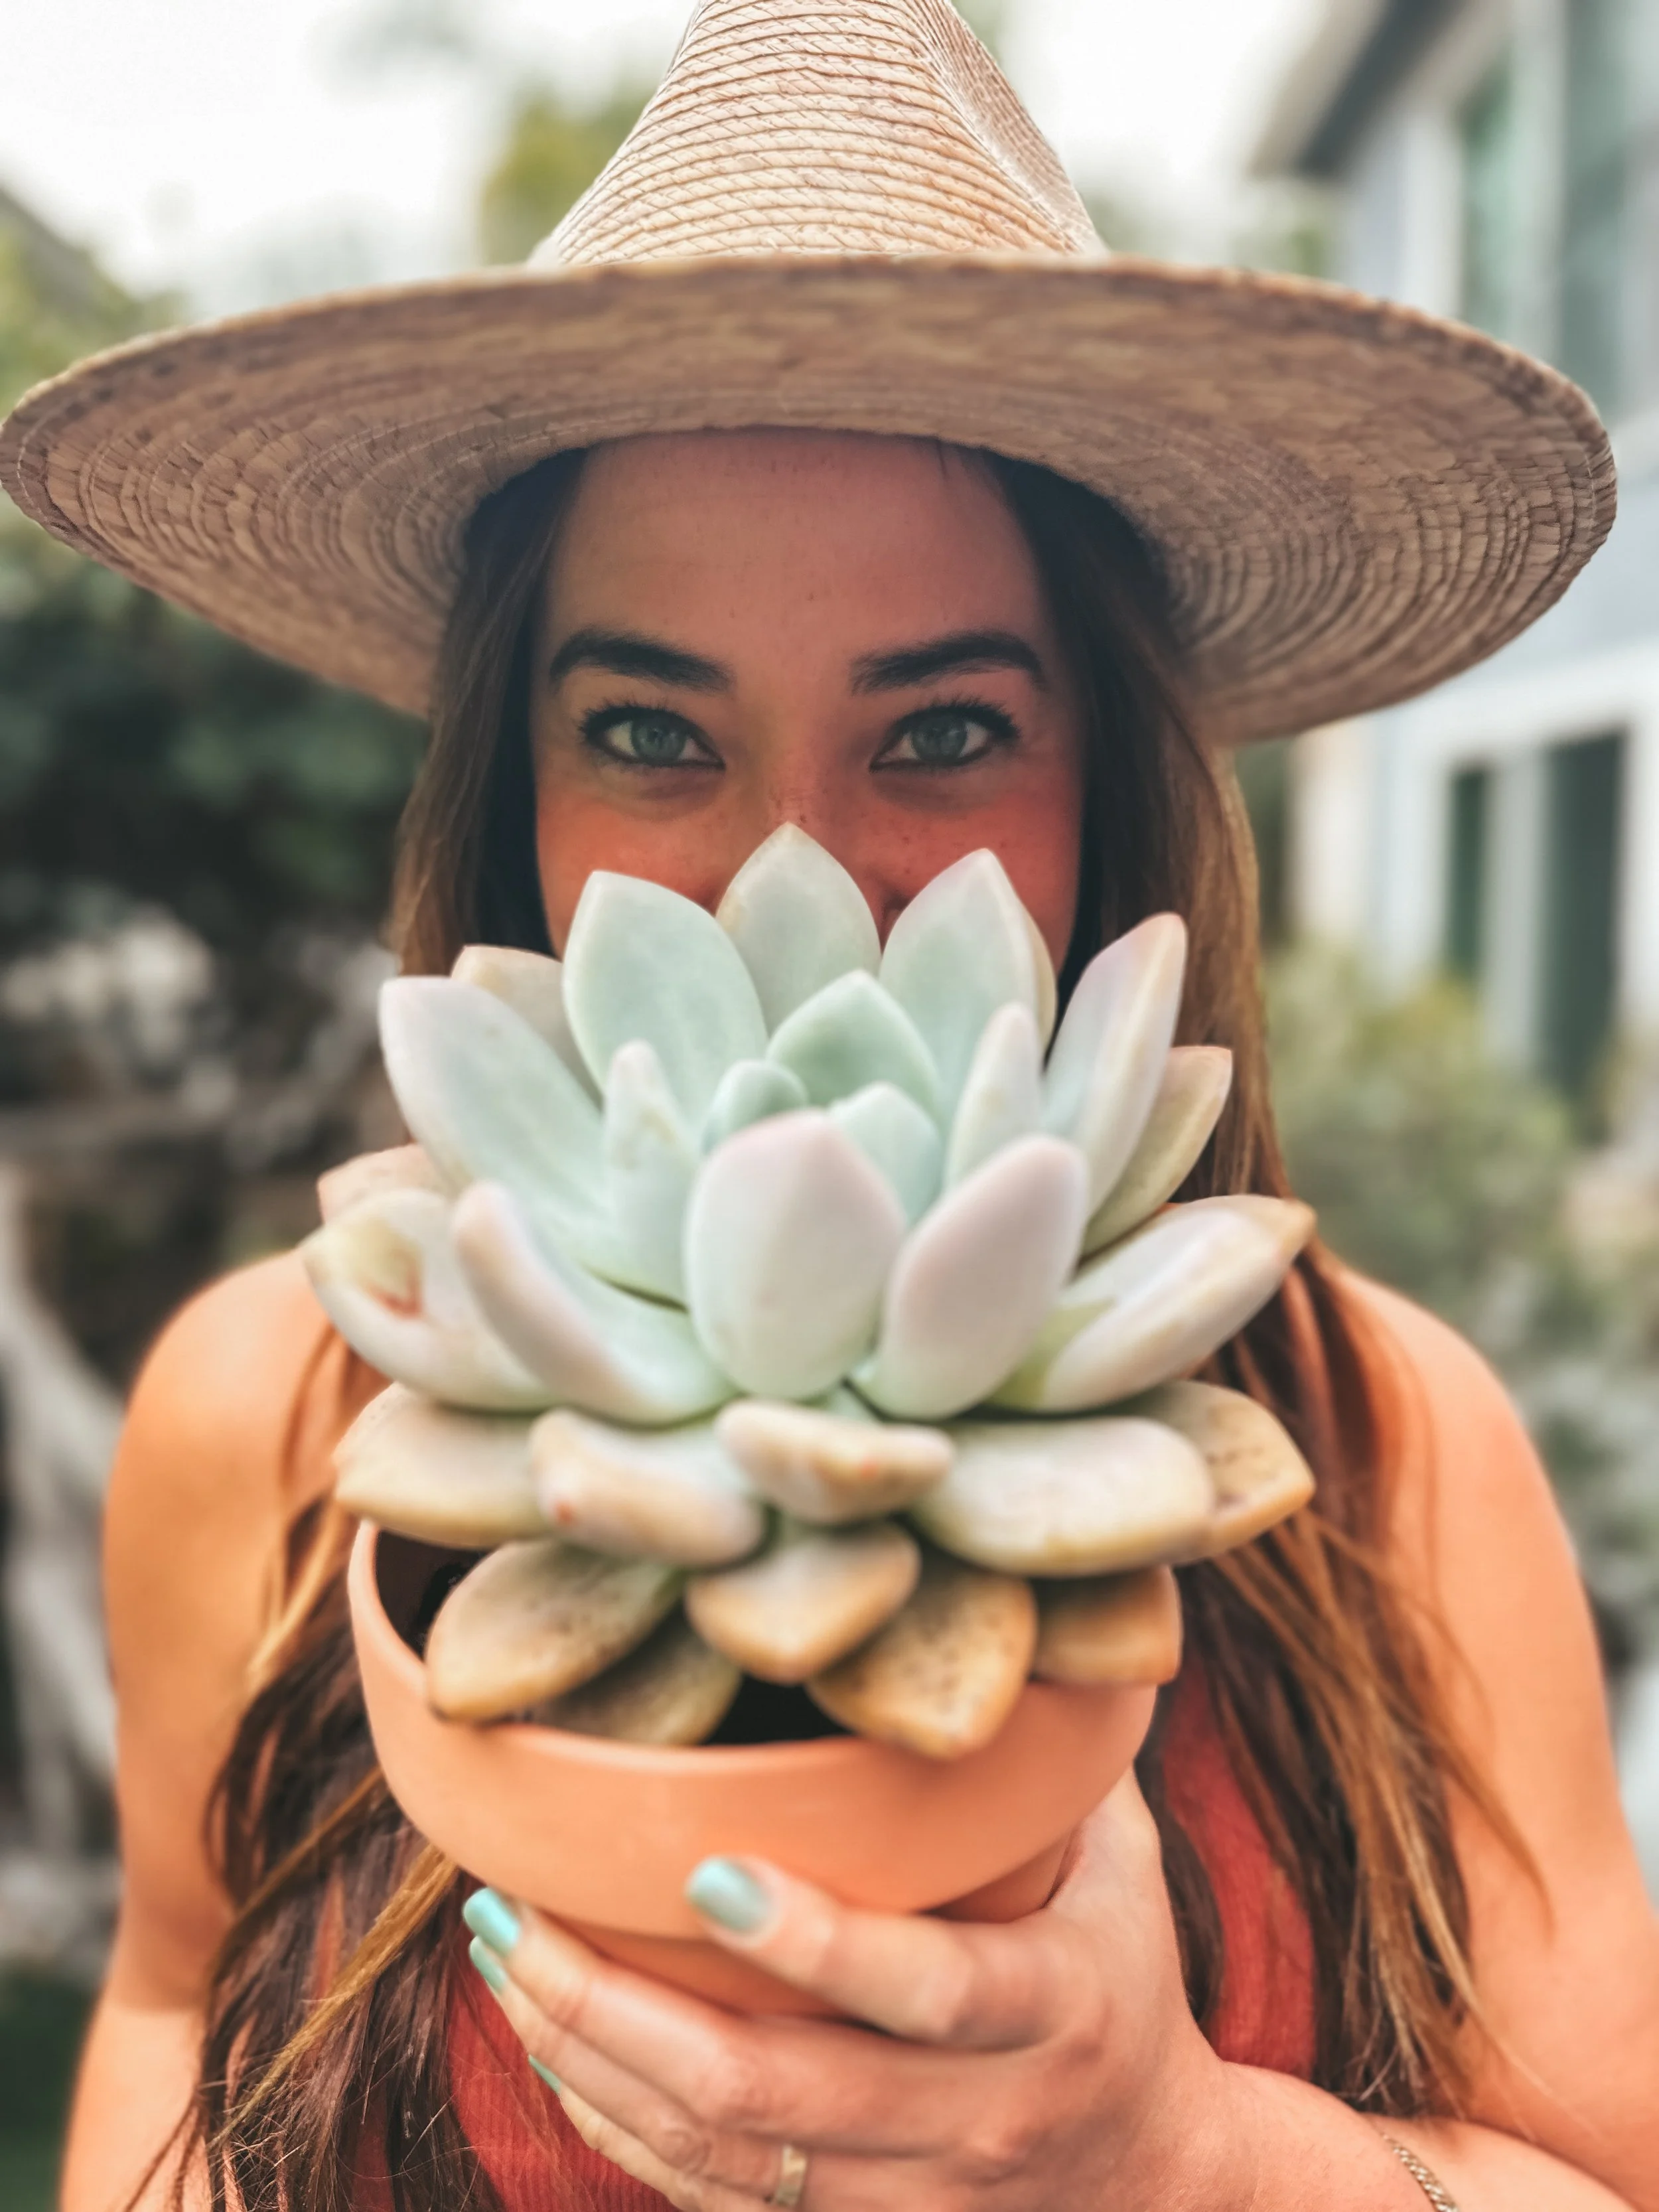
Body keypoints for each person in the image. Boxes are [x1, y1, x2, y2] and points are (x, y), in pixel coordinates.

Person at [4, 3, 1654, 2209]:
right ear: (515, 786)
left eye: (948, 730)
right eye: (652, 733)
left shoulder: (1377, 1442)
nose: (789, 865)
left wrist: (1181, 2152)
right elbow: (162, 1998)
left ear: (1118, 789)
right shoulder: (284, 1418)